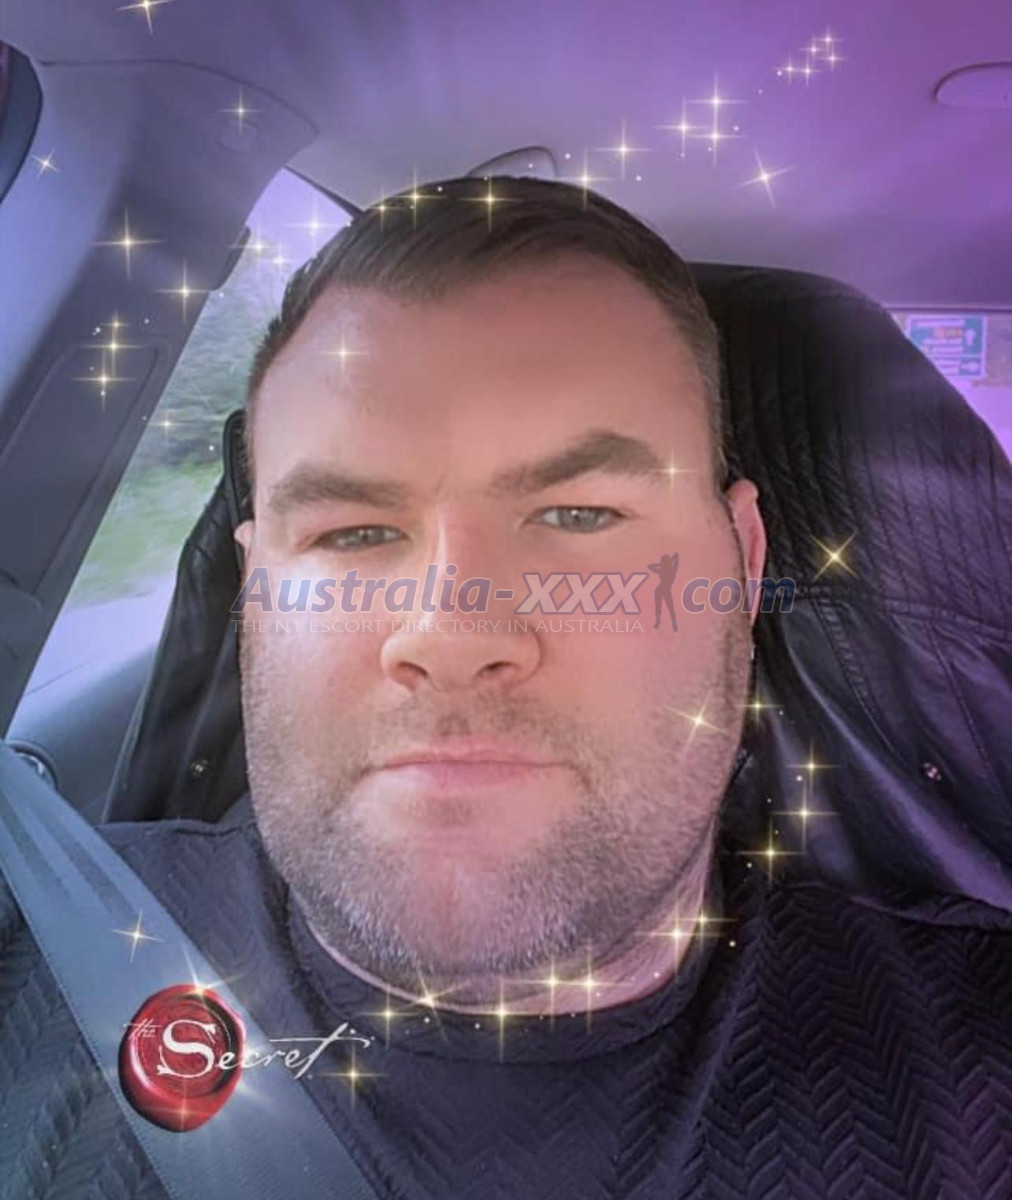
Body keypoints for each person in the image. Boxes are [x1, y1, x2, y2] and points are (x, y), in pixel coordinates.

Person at [1, 175, 1009, 1200]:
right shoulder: (31, 938)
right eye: (353, 532)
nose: (449, 634)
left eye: (579, 515)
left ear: (743, 562)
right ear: (255, 586)